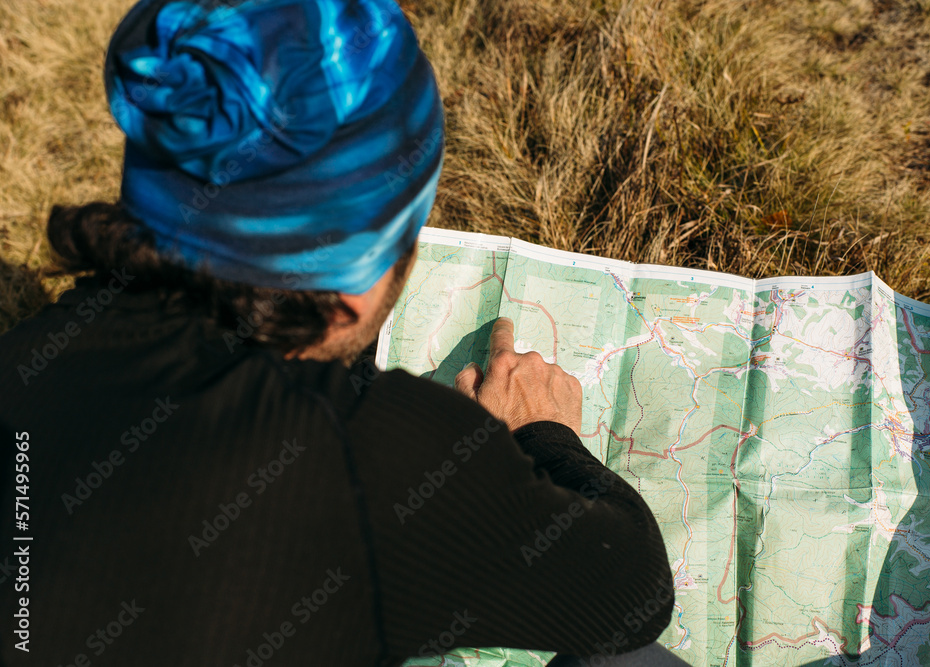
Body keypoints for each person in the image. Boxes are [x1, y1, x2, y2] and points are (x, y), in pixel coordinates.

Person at [0, 0, 689, 665]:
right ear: (355, 280)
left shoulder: (28, 360)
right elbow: (633, 593)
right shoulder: (370, 461)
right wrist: (543, 434)